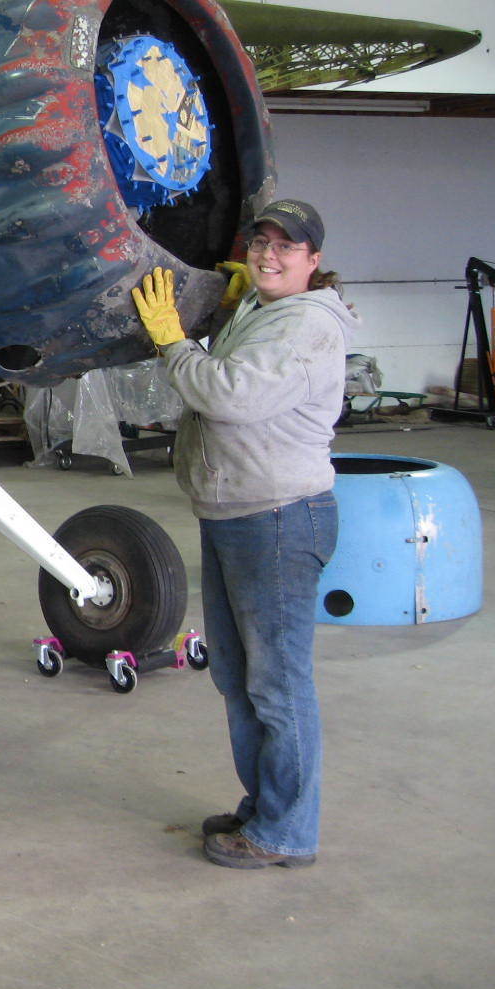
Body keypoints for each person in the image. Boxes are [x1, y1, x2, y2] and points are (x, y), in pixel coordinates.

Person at [131, 199, 356, 869]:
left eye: (287, 247)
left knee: (277, 684)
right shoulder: (264, 307)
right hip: (236, 514)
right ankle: (266, 806)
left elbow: (230, 396)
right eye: (261, 242)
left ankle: (287, 832)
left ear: (313, 262)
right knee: (237, 674)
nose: (268, 255)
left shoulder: (307, 324)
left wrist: (173, 341)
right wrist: (229, 310)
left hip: (278, 520)